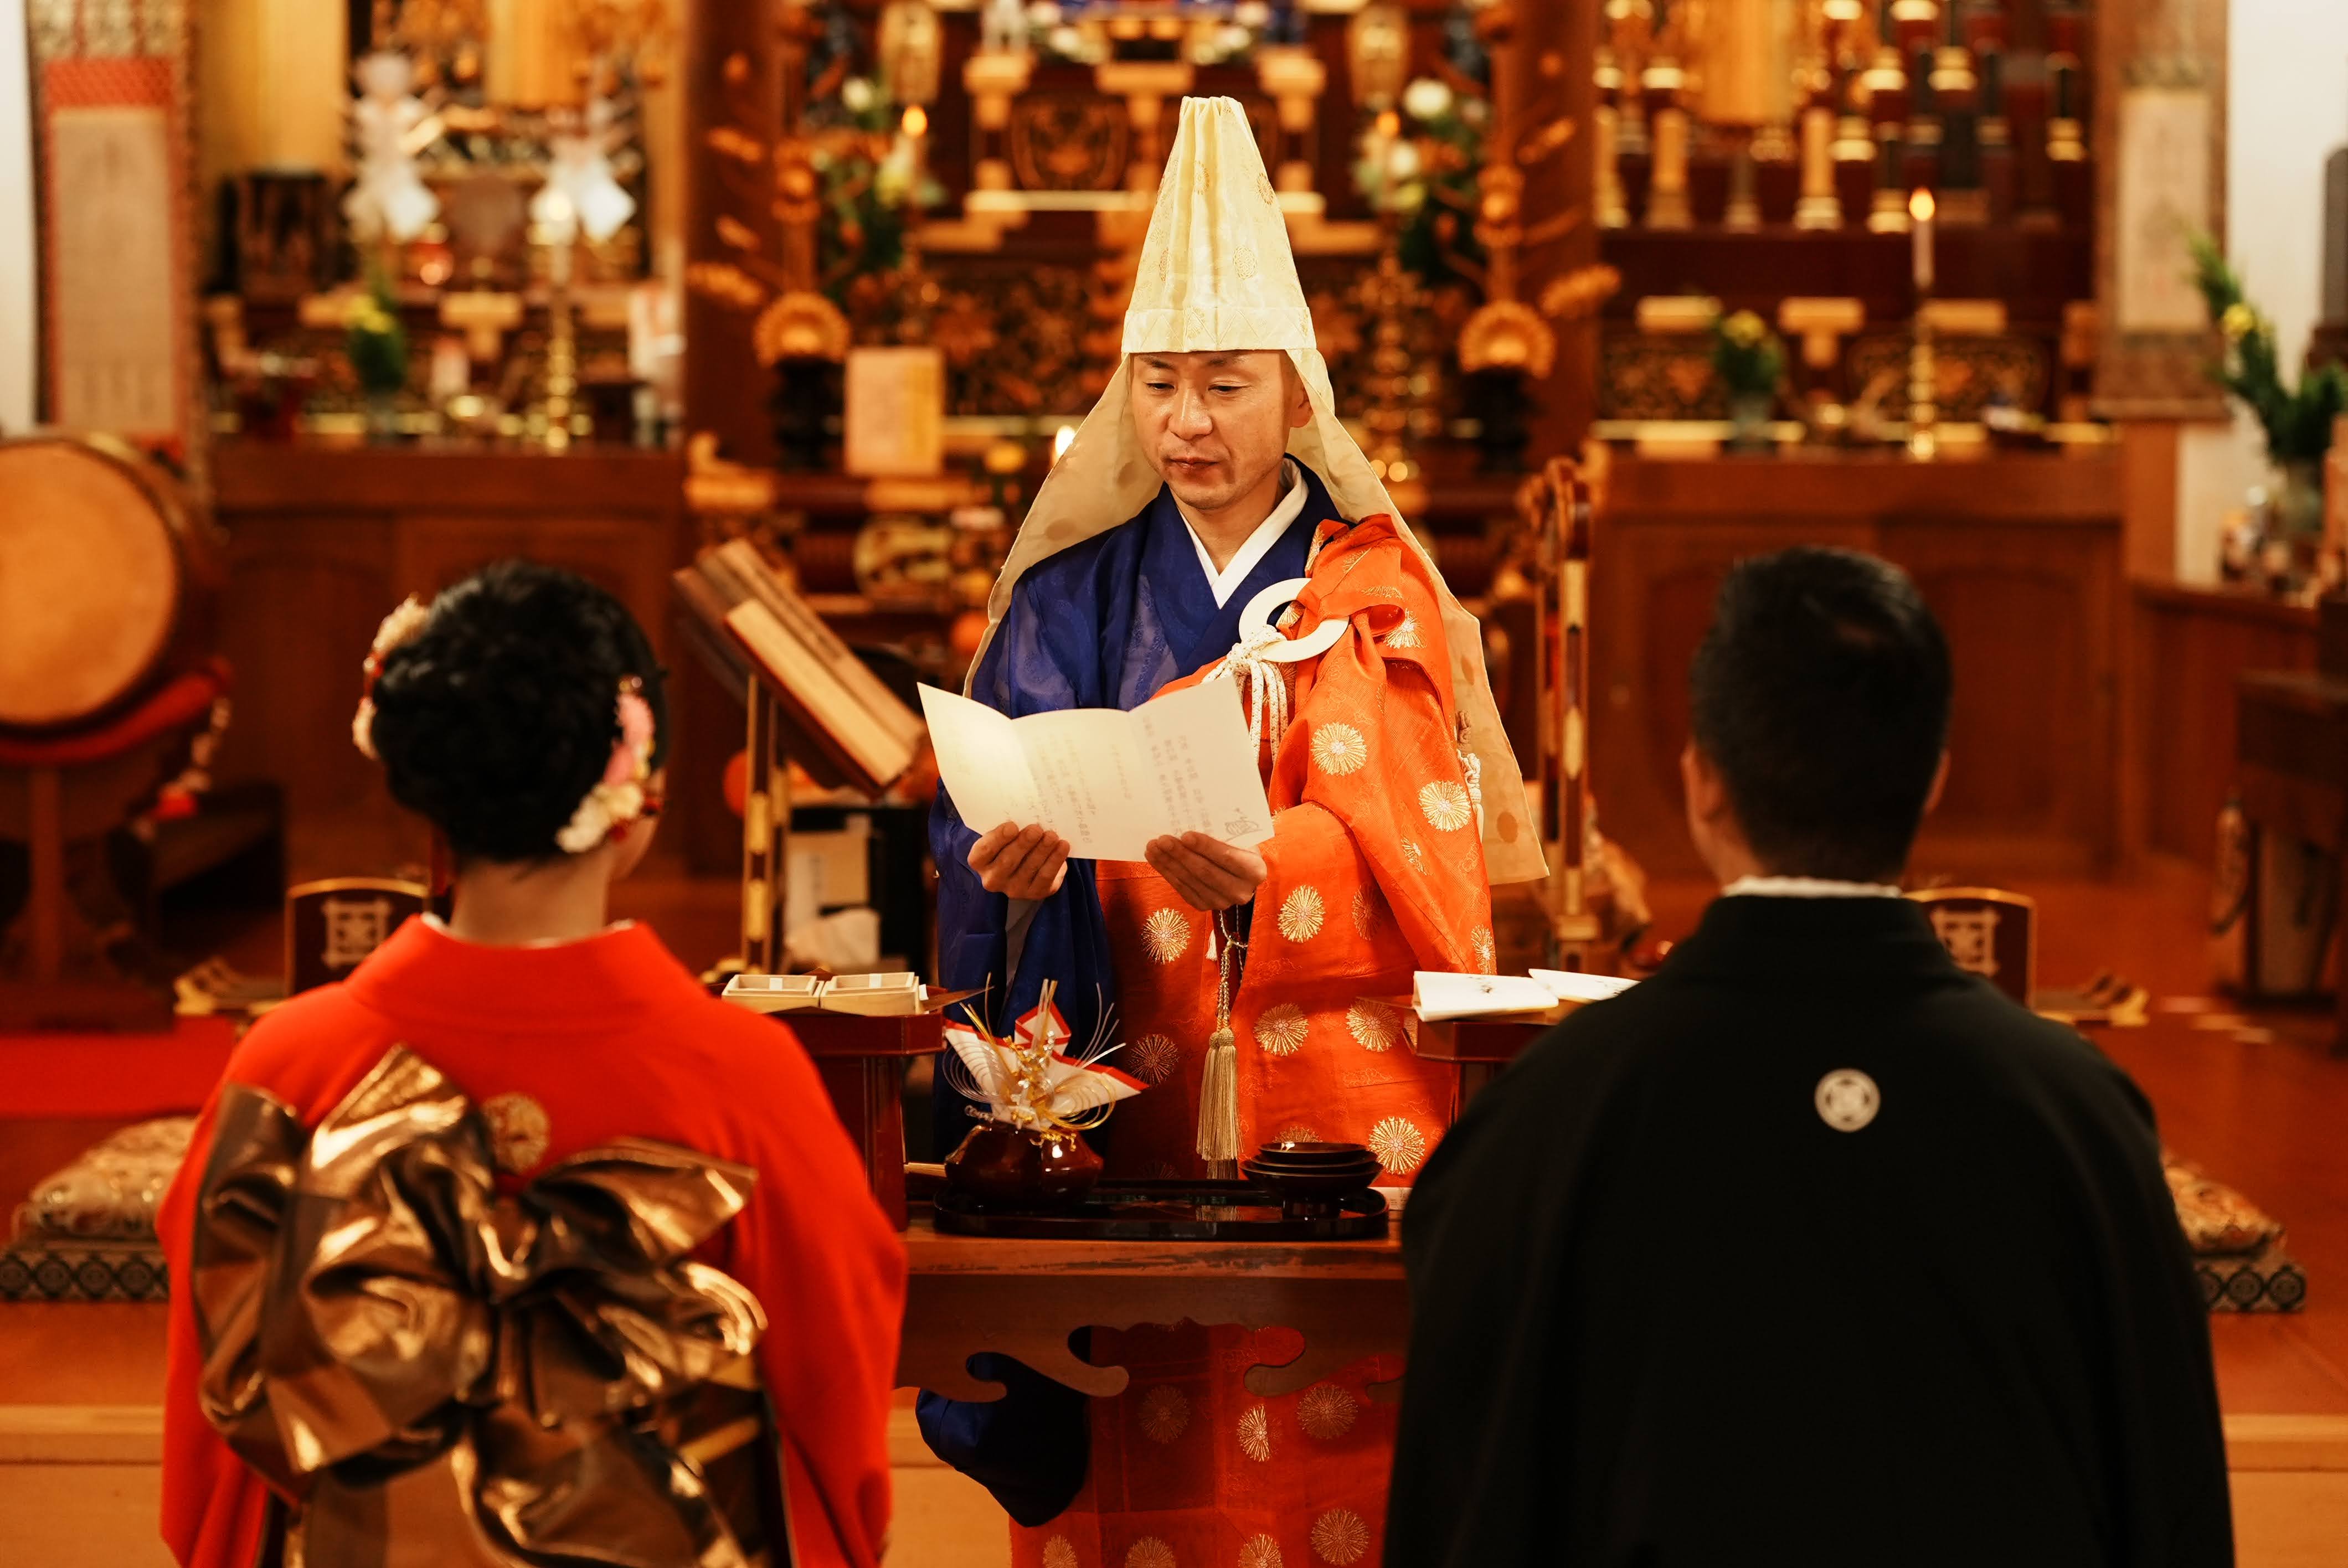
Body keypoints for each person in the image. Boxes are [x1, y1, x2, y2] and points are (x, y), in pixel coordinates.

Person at [920, 97, 1547, 1563]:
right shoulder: (1069, 597)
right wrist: (1006, 876)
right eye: (1158, 384)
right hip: (1116, 1081)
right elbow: (987, 812)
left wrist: (1279, 872)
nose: (1187, 420)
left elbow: (1419, 821)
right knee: (1137, 1439)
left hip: (1320, 1091)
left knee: (1319, 1448)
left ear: (1298, 394)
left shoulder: (1370, 583)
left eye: (1222, 382)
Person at [1384, 546, 2233, 1567]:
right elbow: (2170, 1496)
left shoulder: (1544, 1116)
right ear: (1932, 787)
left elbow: (1461, 1494)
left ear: (1702, 783)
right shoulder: (2077, 1113)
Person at [156, 562, 907, 1568]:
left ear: (420, 779)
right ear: (636, 786)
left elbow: (220, 1419)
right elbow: (833, 1390)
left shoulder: (288, 1063)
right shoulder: (744, 1074)